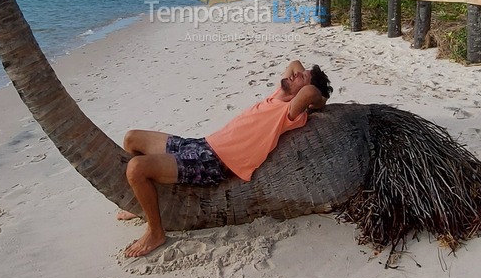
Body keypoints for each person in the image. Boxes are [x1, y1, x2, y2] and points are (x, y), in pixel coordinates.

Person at [119, 60, 333, 257]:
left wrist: (318, 98)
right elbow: (294, 63)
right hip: (201, 144)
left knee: (136, 169)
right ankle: (139, 202)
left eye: (301, 78)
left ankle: (156, 232)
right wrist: (302, 75)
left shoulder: (289, 113)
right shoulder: (277, 96)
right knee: (132, 139)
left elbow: (312, 93)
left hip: (212, 163)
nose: (294, 75)